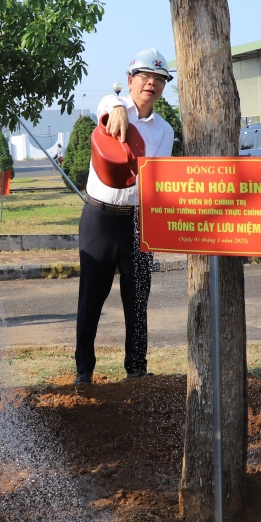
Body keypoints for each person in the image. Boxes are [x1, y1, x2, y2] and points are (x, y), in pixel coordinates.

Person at [74, 49, 175, 385]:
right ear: (130, 81)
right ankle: (84, 371)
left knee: (137, 297)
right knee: (91, 297)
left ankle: (136, 369)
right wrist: (117, 108)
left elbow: (155, 177)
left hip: (137, 221)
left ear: (163, 88)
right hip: (99, 217)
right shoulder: (113, 108)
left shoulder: (163, 130)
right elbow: (105, 102)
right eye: (145, 77)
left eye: (159, 79)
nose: (152, 83)